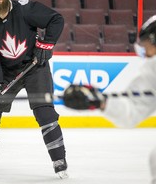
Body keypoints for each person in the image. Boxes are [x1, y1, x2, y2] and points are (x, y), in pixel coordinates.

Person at [0, 0, 68, 179]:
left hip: (35, 68)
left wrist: (47, 43)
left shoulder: (25, 9)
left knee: (45, 113)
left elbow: (56, 19)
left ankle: (59, 160)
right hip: (7, 73)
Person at [63, 15, 156, 184]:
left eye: (147, 47)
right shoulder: (153, 70)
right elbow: (132, 111)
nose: (146, 54)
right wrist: (100, 102)